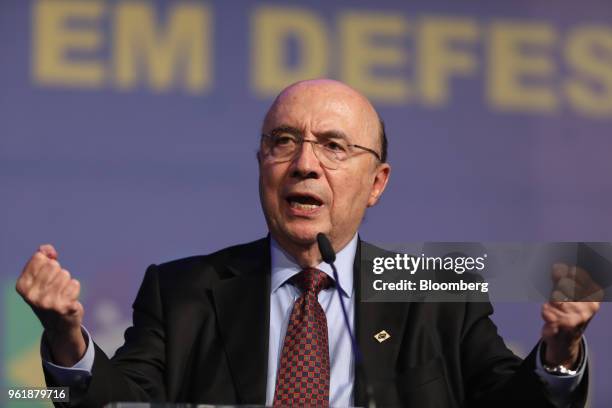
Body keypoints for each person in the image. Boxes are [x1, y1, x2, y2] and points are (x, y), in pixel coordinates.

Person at [16, 79, 600, 407]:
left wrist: (559, 355)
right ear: (260, 164)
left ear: (377, 183)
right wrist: (66, 339)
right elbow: (120, 405)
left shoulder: (432, 288)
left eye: (333, 146)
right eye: (284, 141)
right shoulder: (185, 292)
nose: (304, 165)